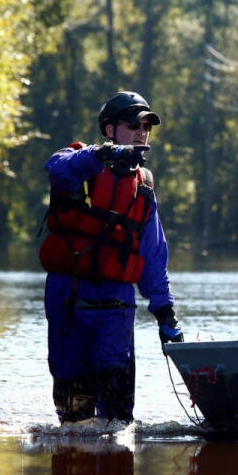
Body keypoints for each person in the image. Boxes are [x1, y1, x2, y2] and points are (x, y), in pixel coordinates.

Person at [39, 91, 184, 424]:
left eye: (147, 125)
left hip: (116, 304)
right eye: (133, 123)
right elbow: (56, 168)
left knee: (117, 417)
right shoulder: (77, 163)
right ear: (109, 129)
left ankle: (114, 466)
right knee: (74, 413)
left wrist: (166, 314)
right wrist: (101, 155)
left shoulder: (143, 185)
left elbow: (152, 255)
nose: (142, 131)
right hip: (69, 298)